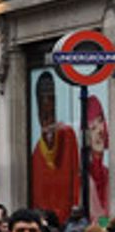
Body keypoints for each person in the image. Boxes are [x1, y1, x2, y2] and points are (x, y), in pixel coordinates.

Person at [30, 72, 82, 220]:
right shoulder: (37, 153)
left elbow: (76, 176)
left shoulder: (67, 136)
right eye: (42, 100)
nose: (46, 104)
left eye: (51, 98)